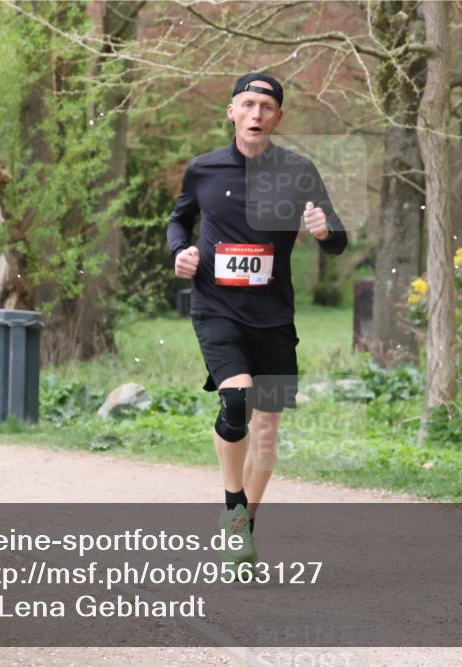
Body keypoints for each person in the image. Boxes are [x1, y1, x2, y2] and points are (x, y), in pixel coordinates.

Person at [166, 72, 347, 565]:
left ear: (278, 119)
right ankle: (232, 505)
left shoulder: (298, 172)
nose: (256, 114)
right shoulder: (203, 170)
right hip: (216, 307)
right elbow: (179, 219)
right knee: (237, 398)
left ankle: (245, 524)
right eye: (247, 104)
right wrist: (180, 250)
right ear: (232, 112)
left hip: (273, 316)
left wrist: (324, 229)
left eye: (266, 108)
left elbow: (337, 242)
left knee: (266, 428)